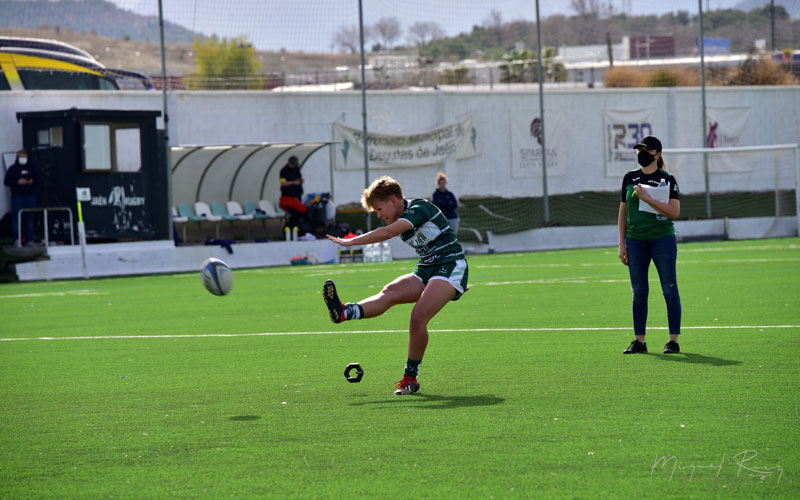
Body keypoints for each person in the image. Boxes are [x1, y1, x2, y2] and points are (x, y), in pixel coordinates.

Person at [323, 176, 469, 395]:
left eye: (380, 209)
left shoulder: (419, 208)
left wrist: (351, 241)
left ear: (394, 200)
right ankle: (344, 312)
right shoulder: (399, 216)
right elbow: (390, 229)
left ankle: (410, 379)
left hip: (450, 265)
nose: (380, 216)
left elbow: (388, 233)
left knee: (417, 317)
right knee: (389, 293)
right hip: (427, 268)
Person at [617, 135, 682, 355]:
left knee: (669, 289)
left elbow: (674, 212)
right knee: (639, 292)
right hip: (635, 241)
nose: (641, 154)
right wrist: (621, 244)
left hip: (662, 239)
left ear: (658, 155)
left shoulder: (668, 179)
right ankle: (639, 341)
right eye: (639, 151)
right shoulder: (630, 177)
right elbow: (623, 211)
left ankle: (673, 341)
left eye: (646, 151)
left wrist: (648, 199)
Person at [4, 148, 39, 246]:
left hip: (30, 196)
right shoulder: (13, 169)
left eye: (24, 156)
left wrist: (32, 181)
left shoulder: (32, 168)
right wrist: (17, 182)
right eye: (20, 156)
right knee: (16, 218)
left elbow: (39, 180)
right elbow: (6, 182)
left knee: (30, 218)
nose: (22, 158)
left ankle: (29, 240)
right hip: (17, 196)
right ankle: (17, 240)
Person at [278, 156, 308, 233]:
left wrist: (301, 180)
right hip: (288, 197)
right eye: (293, 164)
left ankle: (298, 231)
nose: (294, 166)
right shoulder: (284, 171)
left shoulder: (297, 169)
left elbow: (299, 178)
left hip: (297, 195)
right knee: (292, 214)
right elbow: (283, 183)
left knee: (299, 214)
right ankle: (289, 230)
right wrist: (293, 182)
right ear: (289, 163)